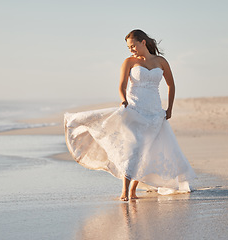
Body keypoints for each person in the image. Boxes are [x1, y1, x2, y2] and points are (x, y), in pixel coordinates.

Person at [64, 29, 196, 201]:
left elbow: (171, 85)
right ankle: (125, 191)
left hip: (155, 112)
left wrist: (169, 108)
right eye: (129, 47)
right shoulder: (129, 62)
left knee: (148, 151)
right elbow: (121, 86)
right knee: (134, 148)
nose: (131, 49)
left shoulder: (161, 61)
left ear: (143, 42)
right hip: (134, 110)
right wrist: (123, 100)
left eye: (133, 46)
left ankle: (133, 189)